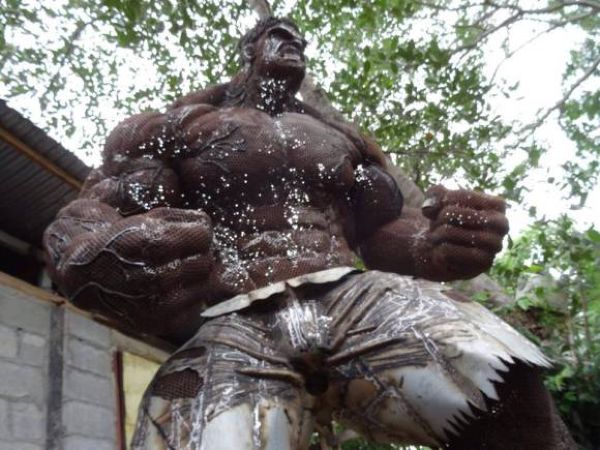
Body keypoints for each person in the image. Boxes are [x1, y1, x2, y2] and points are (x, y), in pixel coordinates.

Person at [44, 17, 575, 449]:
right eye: (279, 35)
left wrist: (432, 245)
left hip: (350, 294)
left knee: (497, 375)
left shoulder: (342, 138)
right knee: (196, 436)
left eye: (299, 39)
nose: (293, 43)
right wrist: (90, 256)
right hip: (234, 319)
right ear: (250, 50)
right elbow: (93, 212)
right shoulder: (176, 126)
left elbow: (381, 231)